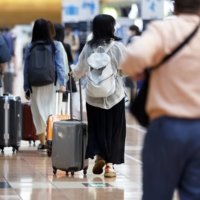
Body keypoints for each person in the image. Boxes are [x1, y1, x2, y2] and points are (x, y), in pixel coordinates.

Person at [121, 0, 200, 199]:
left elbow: (131, 59)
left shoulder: (163, 30)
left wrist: (140, 71)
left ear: (174, 7)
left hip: (166, 128)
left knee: (156, 195)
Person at [70, 14, 126, 178]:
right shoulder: (117, 47)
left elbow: (79, 70)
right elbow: (127, 69)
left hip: (93, 96)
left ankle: (99, 155)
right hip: (115, 96)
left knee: (97, 128)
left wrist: (73, 73)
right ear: (111, 27)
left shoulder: (88, 47)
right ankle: (110, 166)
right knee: (115, 130)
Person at [23, 19, 66, 150]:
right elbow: (60, 65)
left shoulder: (30, 47)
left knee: (37, 112)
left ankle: (42, 143)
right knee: (52, 111)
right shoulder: (56, 45)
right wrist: (63, 84)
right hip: (51, 82)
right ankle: (52, 140)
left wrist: (26, 88)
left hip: (35, 84)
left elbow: (26, 69)